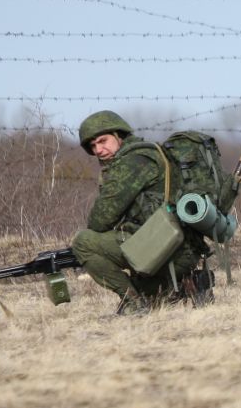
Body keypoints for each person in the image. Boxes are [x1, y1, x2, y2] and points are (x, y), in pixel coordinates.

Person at [72, 110, 207, 315]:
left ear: (120, 135)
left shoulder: (131, 162)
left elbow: (99, 221)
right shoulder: (149, 152)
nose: (98, 150)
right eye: (93, 146)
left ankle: (134, 304)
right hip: (181, 248)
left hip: (165, 250)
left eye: (103, 141)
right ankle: (184, 285)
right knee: (153, 298)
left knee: (83, 243)